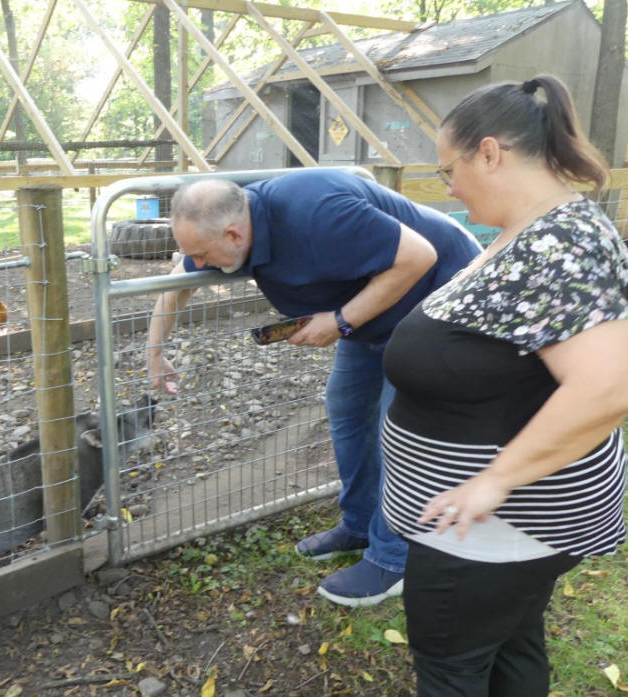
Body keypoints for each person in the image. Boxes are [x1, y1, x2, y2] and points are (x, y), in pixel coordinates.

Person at [381, 74, 628, 696]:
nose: (449, 187)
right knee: (511, 641)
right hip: (494, 528)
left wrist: (496, 480)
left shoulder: (560, 243)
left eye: (448, 170)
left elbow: (608, 389)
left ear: (489, 152)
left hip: (501, 526)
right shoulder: (534, 231)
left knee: (450, 664)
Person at [146, 168, 482, 606]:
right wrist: (155, 353)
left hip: (437, 304)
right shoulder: (227, 223)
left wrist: (341, 321)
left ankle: (394, 559)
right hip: (373, 311)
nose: (200, 267)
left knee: (396, 433)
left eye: (203, 256)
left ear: (232, 235)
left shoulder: (316, 212)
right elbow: (176, 289)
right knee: (346, 409)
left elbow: (421, 255)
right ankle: (360, 523)